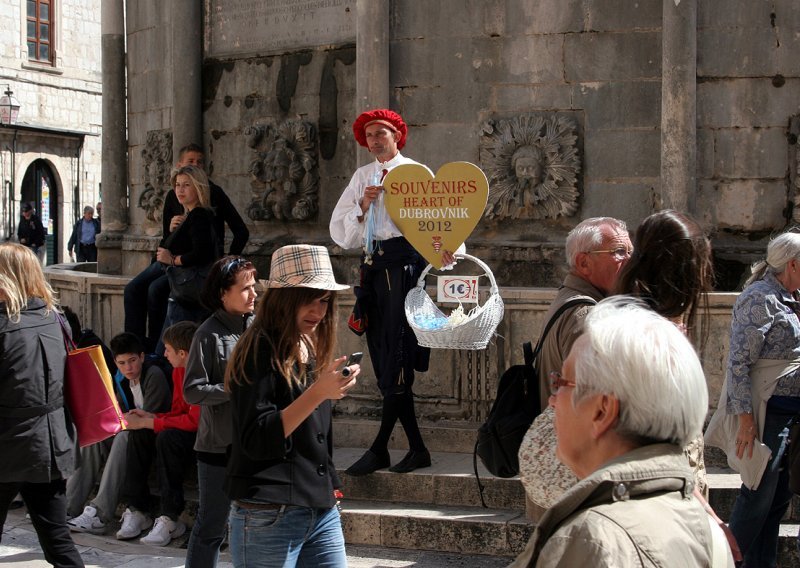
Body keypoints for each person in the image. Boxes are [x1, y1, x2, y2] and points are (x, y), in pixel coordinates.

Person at [510, 297, 733, 567]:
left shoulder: (590, 540)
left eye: (562, 382)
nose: (552, 399)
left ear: (603, 410)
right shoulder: (705, 529)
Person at [330, 108, 454, 475]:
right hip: (374, 270)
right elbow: (343, 233)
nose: (375, 140)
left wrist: (447, 250)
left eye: (381, 132)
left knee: (398, 357)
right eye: (369, 135)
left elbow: (438, 219)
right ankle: (416, 449)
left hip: (405, 268)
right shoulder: (361, 176)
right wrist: (364, 204)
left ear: (397, 135)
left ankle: (380, 447)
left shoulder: (414, 173)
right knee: (385, 359)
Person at [224, 244, 358, 567]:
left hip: (319, 508)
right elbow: (256, 437)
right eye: (309, 299)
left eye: (325, 300)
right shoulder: (257, 347)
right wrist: (317, 393)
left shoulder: (307, 342)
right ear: (285, 299)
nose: (319, 310)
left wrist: (331, 488)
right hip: (268, 513)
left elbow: (315, 436)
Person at [517, 217, 631, 520]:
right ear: (584, 262)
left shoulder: (575, 301)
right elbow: (594, 404)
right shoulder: (586, 315)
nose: (629, 261)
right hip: (574, 474)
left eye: (631, 252)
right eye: (620, 252)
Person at [709, 232, 800, 568]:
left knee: (778, 500)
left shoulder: (793, 297)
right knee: (758, 493)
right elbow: (738, 363)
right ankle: (726, 561)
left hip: (792, 415)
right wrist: (745, 420)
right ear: (792, 263)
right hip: (768, 413)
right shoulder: (760, 297)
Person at [0, 243, 84, 567]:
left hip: (8, 445)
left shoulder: (5, 325)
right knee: (58, 541)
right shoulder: (56, 319)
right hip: (49, 446)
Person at [125, 143, 248, 351]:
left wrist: (225, 265)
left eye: (200, 162)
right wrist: (174, 228)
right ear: (180, 165)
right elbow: (166, 241)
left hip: (188, 268)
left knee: (156, 290)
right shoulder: (175, 197)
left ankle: (155, 349)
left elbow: (227, 238)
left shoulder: (208, 202)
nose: (181, 189)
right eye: (191, 162)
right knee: (133, 288)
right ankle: (134, 348)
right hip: (173, 263)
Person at [183, 255, 257, 567]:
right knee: (212, 526)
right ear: (223, 293)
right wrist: (232, 389)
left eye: (255, 287)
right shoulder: (207, 334)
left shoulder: (257, 326)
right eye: (245, 288)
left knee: (257, 526)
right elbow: (192, 390)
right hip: (218, 449)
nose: (253, 294)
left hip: (255, 443)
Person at [66, 332, 171, 536]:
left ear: (141, 357)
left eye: (132, 361)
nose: (128, 368)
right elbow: (119, 413)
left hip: (152, 436)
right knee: (95, 439)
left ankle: (99, 513)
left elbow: (147, 419)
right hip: (130, 429)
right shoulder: (119, 378)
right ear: (115, 362)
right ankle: (69, 505)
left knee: (123, 437)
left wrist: (127, 420)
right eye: (122, 363)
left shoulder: (154, 375)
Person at [120, 321, 200, 546]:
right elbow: (177, 412)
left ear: (182, 353)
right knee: (138, 434)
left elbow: (195, 421)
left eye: (168, 349)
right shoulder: (178, 371)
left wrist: (150, 423)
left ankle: (170, 517)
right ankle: (137, 509)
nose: (164, 354)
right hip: (185, 428)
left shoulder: (202, 372)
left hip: (204, 437)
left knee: (166, 438)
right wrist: (152, 417)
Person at [154, 164, 220, 352]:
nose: (180, 190)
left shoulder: (199, 214)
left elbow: (201, 253)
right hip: (183, 291)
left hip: (188, 291)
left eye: (186, 185)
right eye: (177, 185)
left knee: (173, 348)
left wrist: (172, 259)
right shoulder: (190, 215)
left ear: (198, 187)